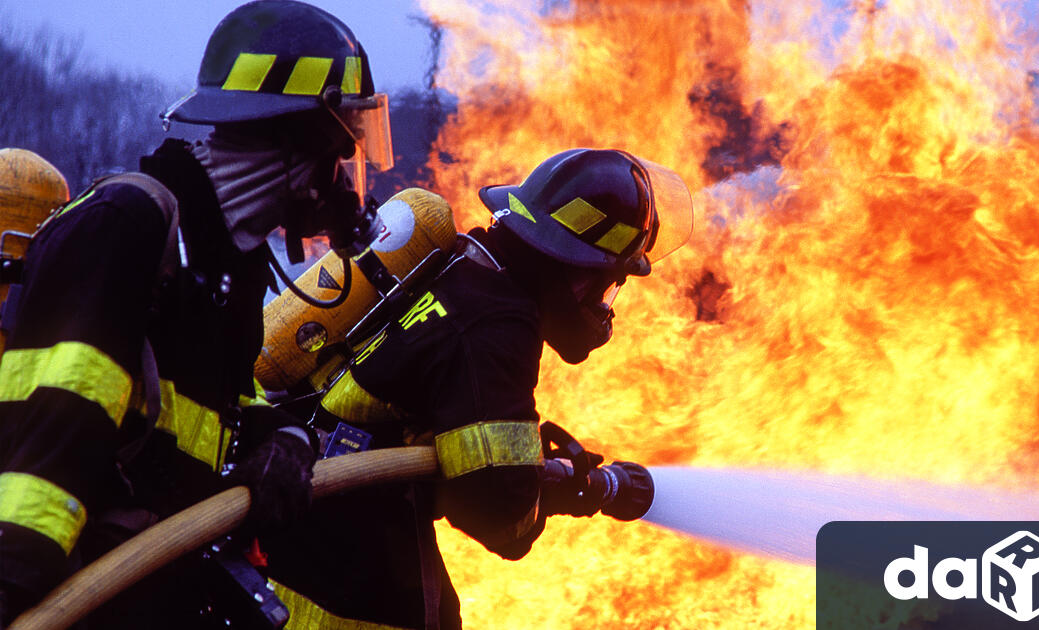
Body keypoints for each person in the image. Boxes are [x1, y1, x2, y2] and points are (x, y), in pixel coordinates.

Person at [0, 1, 395, 626]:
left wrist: (288, 440)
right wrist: (18, 590)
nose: (347, 179)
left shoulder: (222, 265)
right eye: (343, 145)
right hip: (80, 594)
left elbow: (229, 410)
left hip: (161, 587)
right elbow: (56, 421)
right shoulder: (128, 226)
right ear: (300, 141)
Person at [260, 148, 693, 629]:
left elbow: (458, 452)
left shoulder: (461, 273)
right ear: (578, 268)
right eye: (609, 285)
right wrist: (560, 487)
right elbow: (500, 514)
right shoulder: (496, 326)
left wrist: (535, 472)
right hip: (345, 559)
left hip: (299, 520)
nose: (604, 306)